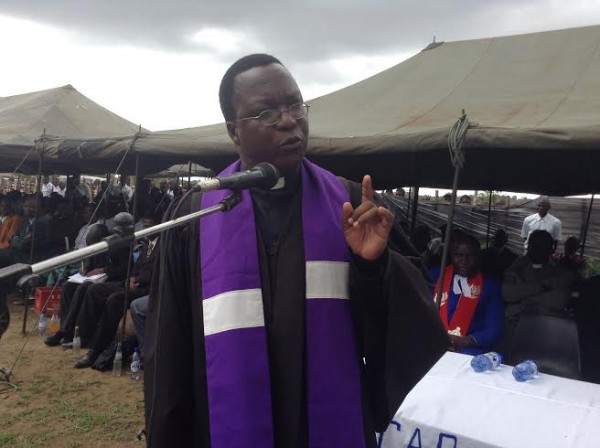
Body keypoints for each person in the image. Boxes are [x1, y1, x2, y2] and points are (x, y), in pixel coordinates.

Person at [144, 54, 449, 448]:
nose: (289, 120)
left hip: (322, 419)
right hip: (225, 420)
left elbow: (407, 324)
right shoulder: (197, 213)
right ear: (234, 131)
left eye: (294, 105)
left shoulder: (351, 204)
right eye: (267, 112)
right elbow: (169, 346)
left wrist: (372, 266)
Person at [430, 233, 504, 355]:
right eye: (458, 255)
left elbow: (494, 329)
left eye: (470, 256)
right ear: (451, 255)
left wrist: (465, 341)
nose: (464, 261)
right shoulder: (436, 276)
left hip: (468, 348)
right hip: (434, 343)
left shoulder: (490, 285)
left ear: (478, 256)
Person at [503, 230, 573, 348]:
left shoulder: (559, 271)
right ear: (529, 246)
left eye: (542, 245)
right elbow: (508, 294)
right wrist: (544, 286)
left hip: (547, 328)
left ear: (551, 248)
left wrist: (523, 294)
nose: (537, 249)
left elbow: (559, 301)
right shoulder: (517, 266)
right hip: (515, 326)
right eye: (534, 245)